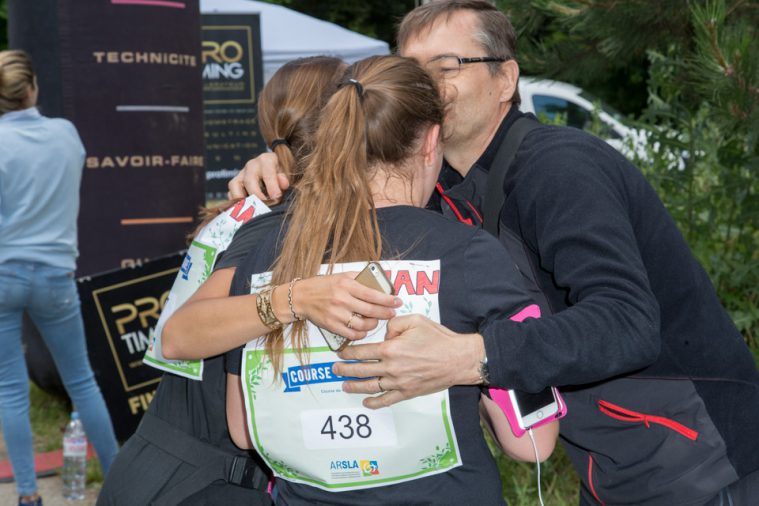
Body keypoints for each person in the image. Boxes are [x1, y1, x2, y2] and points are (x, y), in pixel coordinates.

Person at [227, 2, 759, 505]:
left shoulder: (558, 169)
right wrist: (284, 175)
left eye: (448, 64)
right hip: (611, 466)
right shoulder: (440, 195)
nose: (428, 84)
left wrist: (470, 356)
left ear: (506, 79)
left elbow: (628, 322)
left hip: (700, 456)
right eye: (411, 69)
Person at [191, 54, 558, 506]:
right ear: (430, 142)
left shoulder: (271, 252)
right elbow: (532, 442)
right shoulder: (472, 254)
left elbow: (245, 430)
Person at [98, 56, 397, 506]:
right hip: (202, 484)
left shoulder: (254, 204)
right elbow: (179, 339)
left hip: (159, 469)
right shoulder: (279, 219)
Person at [0, 50, 119, 506]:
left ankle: (28, 496)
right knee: (82, 382)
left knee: (11, 391)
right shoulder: (66, 134)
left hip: (6, 273)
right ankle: (117, 482)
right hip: (55, 274)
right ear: (32, 88)